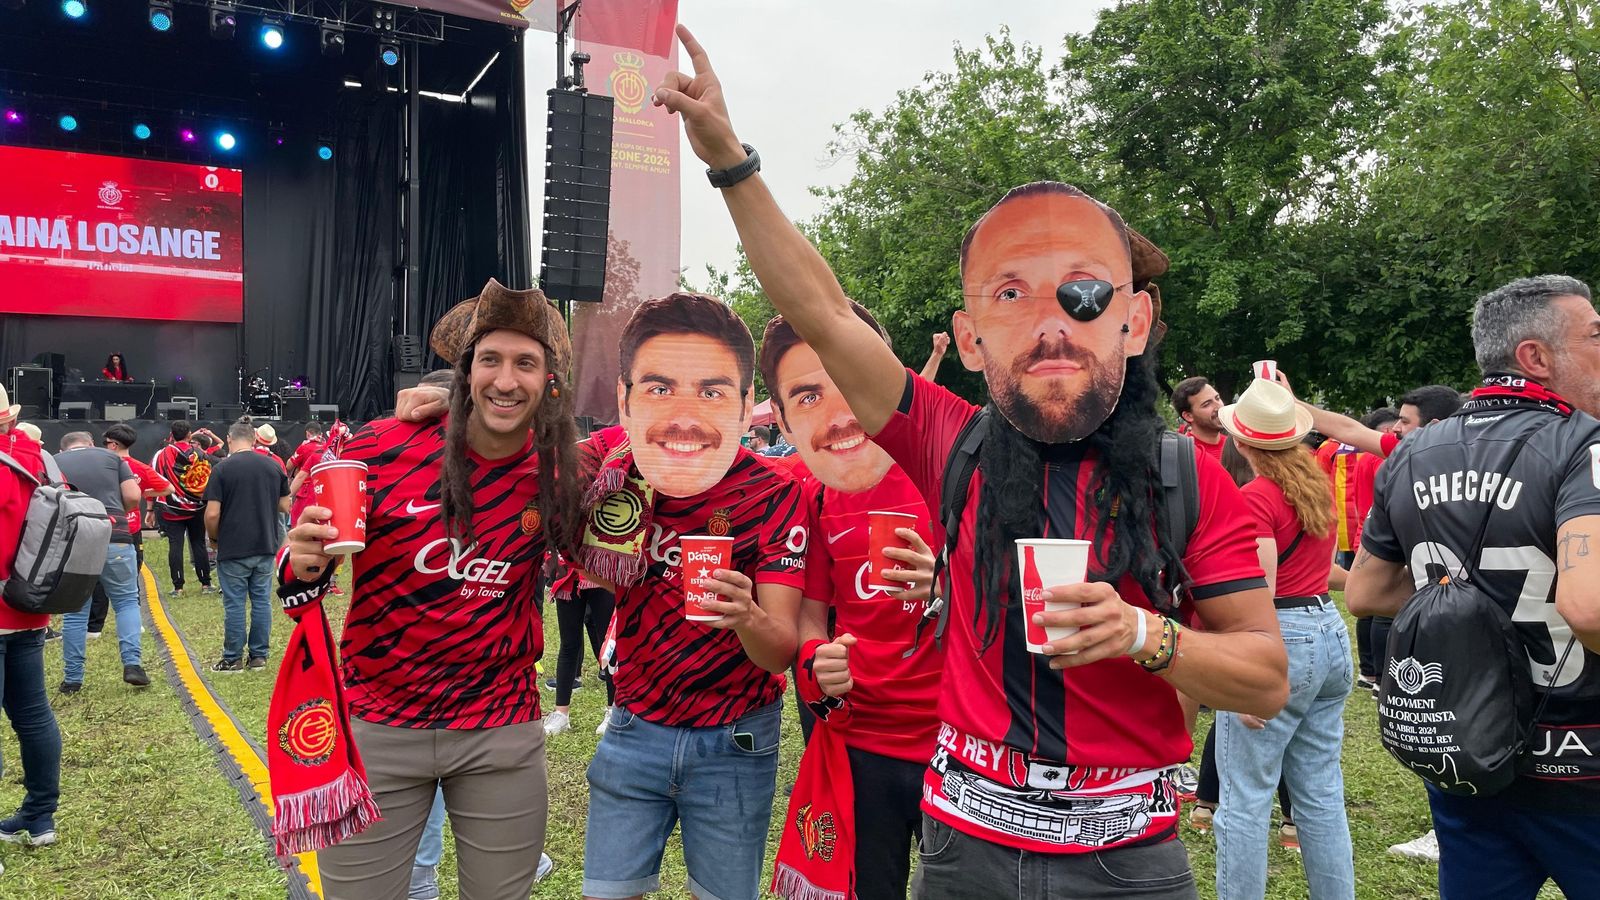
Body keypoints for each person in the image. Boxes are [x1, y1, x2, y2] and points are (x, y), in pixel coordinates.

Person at [653, 26, 1286, 895]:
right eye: (1012, 299)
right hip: (965, 853)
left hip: (1129, 860)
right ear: (971, 340)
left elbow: (1264, 679)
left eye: (1084, 295)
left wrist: (1142, 633)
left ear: (1133, 323)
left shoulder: (1184, 477)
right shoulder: (952, 440)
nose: (1053, 325)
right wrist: (731, 163)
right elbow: (826, 315)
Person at [283, 278, 581, 900]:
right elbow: (296, 589)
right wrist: (300, 561)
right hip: (379, 725)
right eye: (489, 360)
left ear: (548, 379)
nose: (506, 380)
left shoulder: (557, 471)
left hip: (499, 729)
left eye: (525, 362)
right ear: (466, 372)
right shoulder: (378, 452)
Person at [1347, 275, 1600, 899]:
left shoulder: (1413, 451)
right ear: (1535, 357)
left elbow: (1367, 594)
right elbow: (1588, 607)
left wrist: (1474, 596)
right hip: (1581, 760)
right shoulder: (1584, 443)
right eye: (1596, 335)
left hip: (1468, 747)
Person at [761, 306, 941, 900]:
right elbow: (811, 615)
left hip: (966, 747)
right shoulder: (811, 496)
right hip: (862, 745)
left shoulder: (954, 470)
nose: (840, 413)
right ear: (783, 425)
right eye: (808, 397)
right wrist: (816, 658)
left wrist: (947, 587)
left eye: (850, 379)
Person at [1211, 378, 1354, 900]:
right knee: (1320, 794)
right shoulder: (1312, 485)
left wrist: (1250, 679)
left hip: (1283, 638)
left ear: (1243, 443)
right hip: (1328, 631)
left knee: (1245, 800)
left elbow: (1260, 594)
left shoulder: (1255, 498)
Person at [0, 397, 63, 850]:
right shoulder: (40, 458)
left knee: (33, 715)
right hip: (30, 604)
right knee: (34, 715)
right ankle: (40, 817)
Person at [54, 432, 149, 693]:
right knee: (127, 600)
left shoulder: (53, 462)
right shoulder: (112, 458)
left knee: (75, 610)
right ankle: (132, 664)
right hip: (114, 534)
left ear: (63, 449)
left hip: (73, 539)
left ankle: (72, 679)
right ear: (92, 444)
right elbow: (132, 496)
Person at [1314, 407, 1397, 695]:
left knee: (1363, 606)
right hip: (1377, 537)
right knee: (1381, 611)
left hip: (1355, 531)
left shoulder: (1338, 451)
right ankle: (1379, 675)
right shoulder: (1382, 459)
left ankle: (1369, 671)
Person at [204, 422, 289, 672]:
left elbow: (211, 514)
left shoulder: (221, 469)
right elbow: (285, 506)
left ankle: (232, 658)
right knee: (261, 601)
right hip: (264, 544)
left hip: (233, 546)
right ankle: (259, 656)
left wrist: (214, 539)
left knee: (235, 603)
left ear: (229, 439)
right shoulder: (273, 466)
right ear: (255, 439)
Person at [86, 424, 171, 638]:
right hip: (130, 530)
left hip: (102, 527)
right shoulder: (139, 468)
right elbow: (168, 488)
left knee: (96, 577)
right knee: (131, 576)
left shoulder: (98, 466)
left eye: (105, 444)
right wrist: (142, 491)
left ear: (113, 445)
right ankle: (134, 621)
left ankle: (94, 627)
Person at [152, 421, 215, 594]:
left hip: (171, 507)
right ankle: (206, 584)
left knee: (175, 545)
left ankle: (178, 587)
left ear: (171, 435)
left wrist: (150, 509)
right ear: (189, 436)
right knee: (199, 543)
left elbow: (155, 478)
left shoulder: (162, 454)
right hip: (197, 507)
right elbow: (207, 479)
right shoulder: (202, 454)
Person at [1173, 375, 1229, 461]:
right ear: (1188, 416)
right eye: (1207, 404)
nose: (1218, 406)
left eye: (1217, 398)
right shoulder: (1184, 456)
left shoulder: (1237, 446)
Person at [286, 421, 325, 526]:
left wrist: (289, 495)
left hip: (306, 489)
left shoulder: (305, 447)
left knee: (298, 523)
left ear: (308, 433)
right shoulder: (327, 447)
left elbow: (289, 465)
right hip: (324, 490)